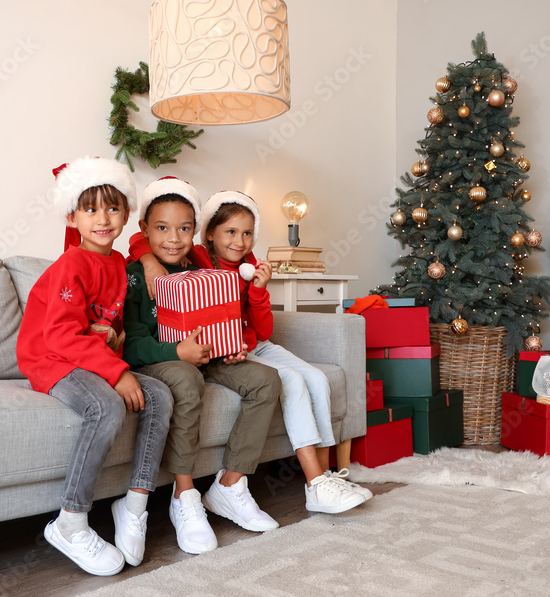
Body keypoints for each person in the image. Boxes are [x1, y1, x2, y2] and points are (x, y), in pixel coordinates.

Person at [131, 191, 372, 514]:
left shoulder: (250, 268)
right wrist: (146, 259)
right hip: (209, 349)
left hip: (242, 344)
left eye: (247, 234)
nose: (239, 241)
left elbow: (263, 330)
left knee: (311, 378)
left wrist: (258, 291)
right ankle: (313, 481)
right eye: (231, 232)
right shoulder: (197, 258)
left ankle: (323, 477)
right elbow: (144, 237)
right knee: (290, 381)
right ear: (210, 234)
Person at [16, 157, 173, 576]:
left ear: (126, 212)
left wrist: (118, 353)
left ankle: (135, 502)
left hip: (89, 358)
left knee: (159, 394)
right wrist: (117, 372)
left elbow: (109, 319)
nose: (103, 218)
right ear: (72, 215)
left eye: (112, 207)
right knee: (106, 406)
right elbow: (62, 335)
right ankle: (69, 521)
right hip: (52, 359)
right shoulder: (72, 263)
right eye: (90, 209)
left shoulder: (120, 263)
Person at [123, 177, 283, 555]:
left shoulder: (200, 266)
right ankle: (185, 494)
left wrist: (230, 346)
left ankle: (230, 485)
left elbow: (227, 317)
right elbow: (132, 344)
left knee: (267, 380)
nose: (173, 238)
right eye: (162, 228)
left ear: (195, 233)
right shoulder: (135, 275)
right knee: (186, 379)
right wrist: (177, 353)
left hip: (209, 355)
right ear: (145, 231)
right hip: (164, 361)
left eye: (183, 229)